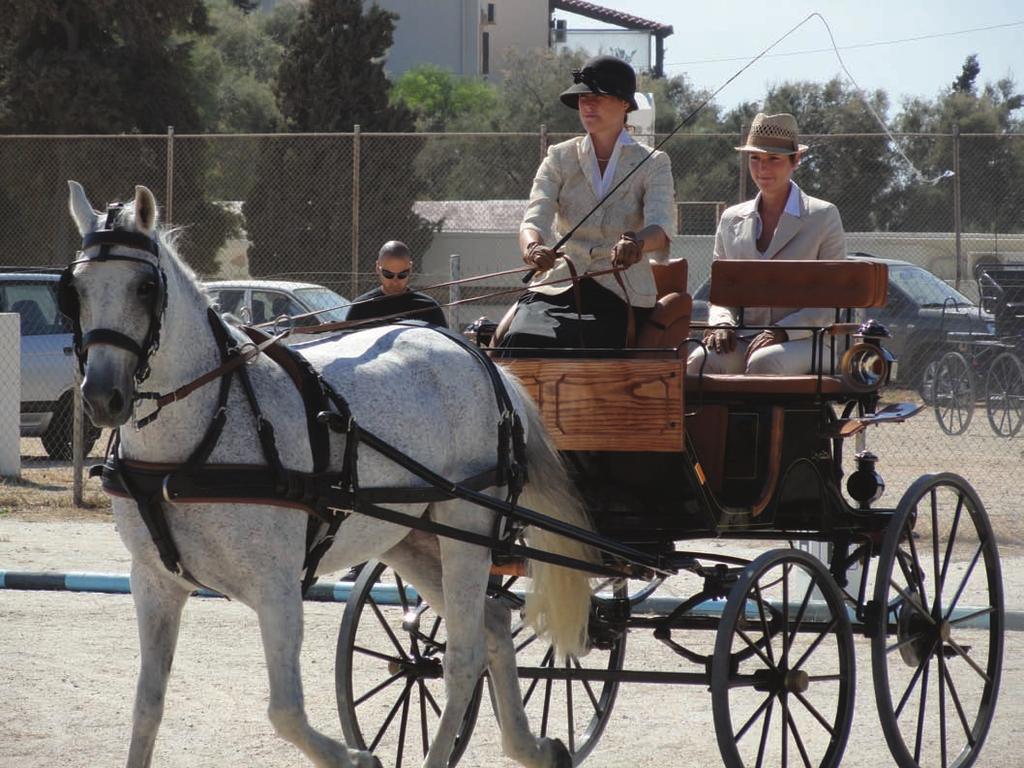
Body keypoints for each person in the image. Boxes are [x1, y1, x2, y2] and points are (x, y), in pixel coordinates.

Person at [497, 55, 674, 354]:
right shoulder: (559, 157)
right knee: (520, 340)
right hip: (559, 284)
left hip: (621, 292)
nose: (588, 105)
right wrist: (532, 248)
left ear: (625, 104)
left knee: (580, 344)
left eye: (598, 97)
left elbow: (661, 227)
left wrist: (636, 243)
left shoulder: (653, 162)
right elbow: (533, 220)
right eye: (582, 98)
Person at [686, 112, 846, 376]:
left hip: (808, 339)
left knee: (764, 362)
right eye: (755, 159)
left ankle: (761, 420)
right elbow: (721, 294)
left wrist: (782, 331)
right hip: (746, 337)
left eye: (774, 159)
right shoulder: (730, 219)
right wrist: (722, 324)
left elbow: (831, 301)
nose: (762, 169)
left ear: (796, 160)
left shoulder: (823, 216)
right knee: (697, 361)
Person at [346, 240, 448, 328]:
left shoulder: (429, 307)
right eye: (388, 274)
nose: (395, 281)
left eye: (402, 274)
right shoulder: (361, 307)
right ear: (377, 268)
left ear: (410, 268)